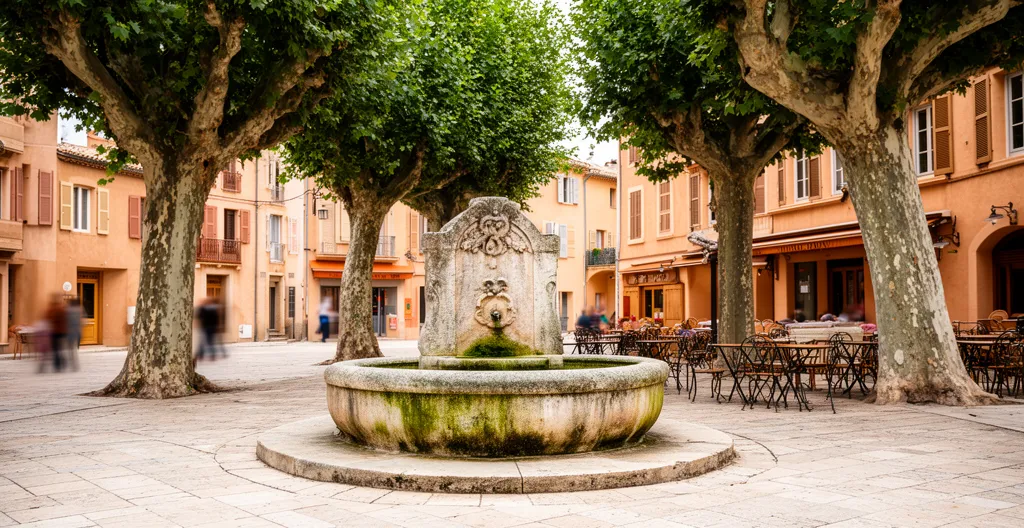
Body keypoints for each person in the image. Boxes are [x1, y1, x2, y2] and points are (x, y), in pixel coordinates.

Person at [43, 294, 67, 372]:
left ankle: (58, 364)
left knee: (56, 349)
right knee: (59, 348)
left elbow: (47, 319)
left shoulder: (52, 310)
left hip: (55, 332)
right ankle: (62, 362)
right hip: (62, 332)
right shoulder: (62, 309)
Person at [65, 298, 83, 371]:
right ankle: (74, 363)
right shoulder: (80, 310)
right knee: (75, 347)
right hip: (78, 331)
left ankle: (72, 361)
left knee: (71, 347)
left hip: (70, 331)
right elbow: (83, 321)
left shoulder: (68, 310)